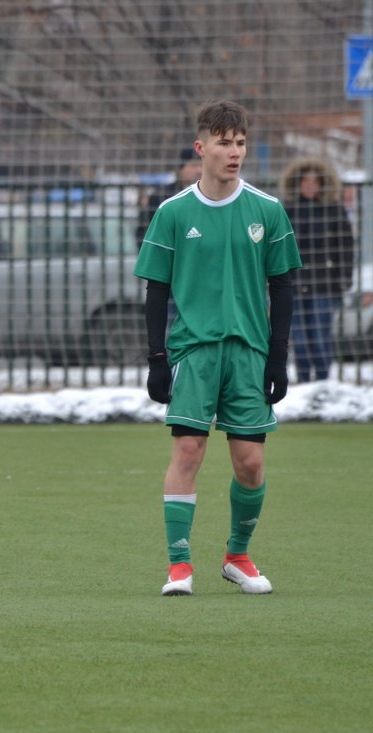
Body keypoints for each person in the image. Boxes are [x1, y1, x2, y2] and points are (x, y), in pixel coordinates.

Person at [135, 99, 301, 597]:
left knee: (250, 462)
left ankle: (237, 556)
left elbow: (285, 287)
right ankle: (180, 565)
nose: (234, 152)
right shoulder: (172, 212)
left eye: (240, 143)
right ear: (201, 146)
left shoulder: (267, 211)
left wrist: (278, 357)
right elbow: (156, 291)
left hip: (249, 353)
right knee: (188, 449)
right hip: (193, 353)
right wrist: (156, 360)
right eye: (224, 143)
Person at [278, 157, 355, 382]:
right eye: (305, 181)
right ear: (297, 183)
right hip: (294, 284)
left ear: (322, 184)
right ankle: (303, 383)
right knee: (300, 339)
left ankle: (323, 382)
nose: (310, 186)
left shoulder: (333, 210)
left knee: (320, 336)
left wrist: (344, 279)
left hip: (325, 285)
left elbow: (346, 246)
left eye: (315, 181)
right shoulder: (287, 211)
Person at [135, 146, 203, 249]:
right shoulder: (161, 196)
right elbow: (144, 234)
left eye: (202, 165)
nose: (199, 170)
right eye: (193, 165)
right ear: (181, 169)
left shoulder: (211, 197)